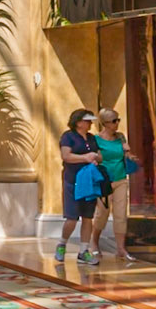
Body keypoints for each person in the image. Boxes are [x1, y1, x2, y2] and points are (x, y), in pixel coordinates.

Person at [56, 107, 106, 265]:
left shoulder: (91, 138)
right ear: (78, 122)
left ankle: (84, 250)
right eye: (87, 121)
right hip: (73, 180)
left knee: (87, 217)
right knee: (72, 217)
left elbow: (100, 156)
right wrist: (84, 157)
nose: (90, 124)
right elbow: (66, 156)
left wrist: (96, 157)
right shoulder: (68, 137)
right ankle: (62, 243)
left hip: (89, 181)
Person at [91, 107, 135, 263]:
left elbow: (126, 155)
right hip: (104, 181)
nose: (117, 123)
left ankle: (121, 249)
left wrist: (129, 154)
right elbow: (95, 159)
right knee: (102, 213)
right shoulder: (96, 139)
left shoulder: (121, 137)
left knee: (120, 214)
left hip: (121, 178)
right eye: (114, 121)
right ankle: (94, 242)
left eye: (118, 120)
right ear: (105, 123)